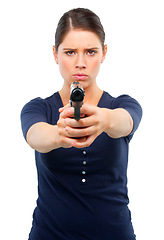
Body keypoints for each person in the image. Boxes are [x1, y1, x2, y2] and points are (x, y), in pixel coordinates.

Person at [21, 8, 142, 240]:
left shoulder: (123, 104)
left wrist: (103, 120)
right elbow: (35, 135)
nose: (80, 63)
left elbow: (126, 121)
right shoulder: (38, 108)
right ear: (55, 54)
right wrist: (59, 134)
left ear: (104, 53)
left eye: (90, 52)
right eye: (69, 52)